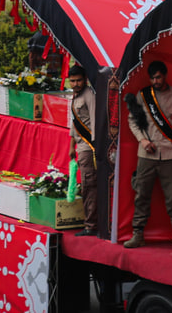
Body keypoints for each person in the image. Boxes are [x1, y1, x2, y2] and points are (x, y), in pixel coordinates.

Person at [124, 60, 172, 252]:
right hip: (146, 153)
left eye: (159, 77)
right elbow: (133, 122)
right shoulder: (143, 95)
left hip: (170, 153)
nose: (156, 81)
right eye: (152, 78)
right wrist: (142, 141)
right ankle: (138, 233)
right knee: (141, 194)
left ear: (165, 75)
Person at [67, 66, 97, 237]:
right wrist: (72, 146)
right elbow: (75, 122)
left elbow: (94, 121)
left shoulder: (89, 95)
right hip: (80, 145)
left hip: (88, 147)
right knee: (86, 185)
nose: (76, 84)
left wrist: (94, 148)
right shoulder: (76, 96)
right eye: (72, 81)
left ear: (84, 79)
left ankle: (91, 225)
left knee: (89, 185)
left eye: (78, 80)